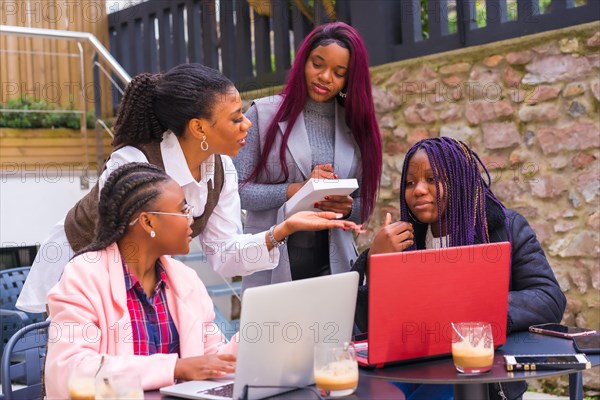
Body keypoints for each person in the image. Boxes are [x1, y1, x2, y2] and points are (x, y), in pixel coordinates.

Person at [17, 63, 360, 314]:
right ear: (199, 128)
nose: (248, 124)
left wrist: (282, 230)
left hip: (134, 284)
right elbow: (118, 253)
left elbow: (225, 255)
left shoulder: (221, 169)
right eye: (236, 117)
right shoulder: (133, 164)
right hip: (76, 274)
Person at [352, 137, 566, 400]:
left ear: (460, 181)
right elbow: (367, 326)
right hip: (410, 368)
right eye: (410, 182)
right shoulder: (403, 241)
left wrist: (478, 315)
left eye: (432, 179)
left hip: (477, 373)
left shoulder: (504, 228)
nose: (418, 190)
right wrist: (376, 263)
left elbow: (549, 297)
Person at [46, 163, 243, 397]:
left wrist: (254, 339)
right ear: (148, 222)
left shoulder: (185, 279)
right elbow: (71, 370)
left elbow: (211, 358)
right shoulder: (83, 275)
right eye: (183, 210)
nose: (191, 220)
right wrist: (174, 368)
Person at [233, 22, 382, 291]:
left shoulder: (356, 127)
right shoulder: (262, 115)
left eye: (339, 73)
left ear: (350, 79)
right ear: (303, 62)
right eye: (318, 64)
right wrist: (297, 190)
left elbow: (364, 207)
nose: (325, 77)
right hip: (271, 261)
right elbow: (237, 191)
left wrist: (345, 206)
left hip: (334, 264)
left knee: (337, 333)